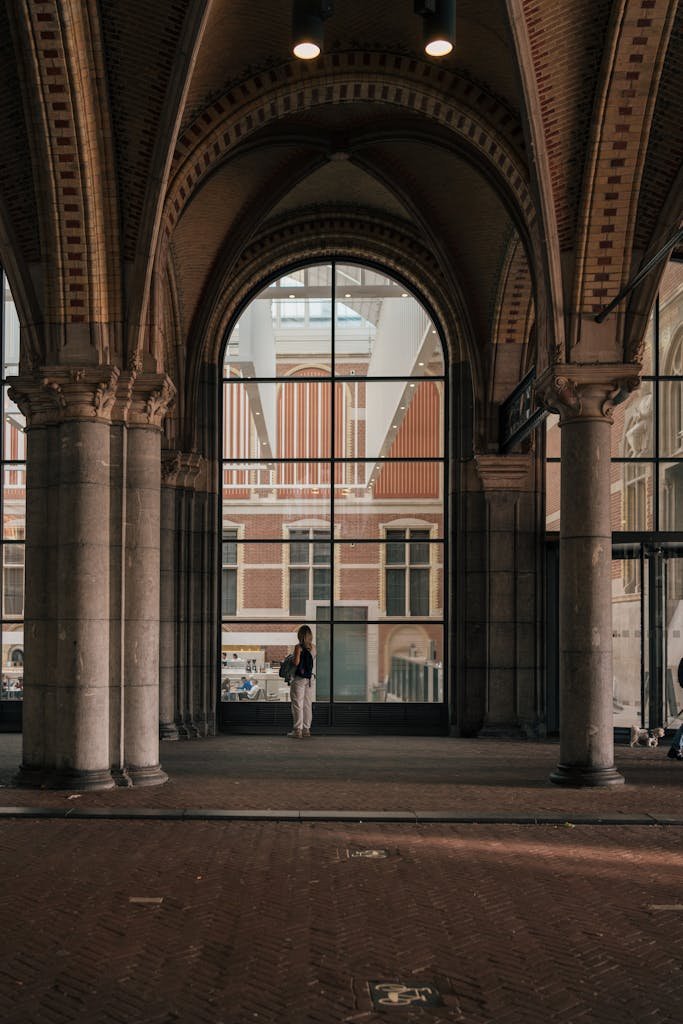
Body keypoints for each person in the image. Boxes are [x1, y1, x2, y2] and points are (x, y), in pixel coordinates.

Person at [288, 624, 315, 739]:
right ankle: (306, 729)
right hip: (310, 679)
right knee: (307, 704)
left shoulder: (298, 647)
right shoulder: (313, 647)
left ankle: (297, 730)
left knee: (297, 704)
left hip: (299, 679)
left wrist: (292, 657)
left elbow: (296, 663)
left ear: (300, 635)